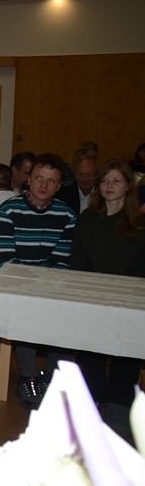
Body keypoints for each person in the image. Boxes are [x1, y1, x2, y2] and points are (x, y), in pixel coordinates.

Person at [0, 153, 78, 408]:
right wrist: (35, 286)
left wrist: (49, 285)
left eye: (51, 181)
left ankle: (52, 375)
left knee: (70, 305)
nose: (43, 185)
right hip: (8, 276)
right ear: (28, 179)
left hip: (47, 277)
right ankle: (28, 376)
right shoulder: (8, 210)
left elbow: (61, 261)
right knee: (24, 304)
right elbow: (5, 261)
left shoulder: (67, 215)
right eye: (38, 178)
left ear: (59, 186)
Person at [71, 160, 145, 440]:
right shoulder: (88, 219)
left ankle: (119, 409)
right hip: (93, 295)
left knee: (128, 349)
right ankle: (92, 403)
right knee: (90, 347)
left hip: (129, 297)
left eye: (116, 181)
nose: (109, 186)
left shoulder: (139, 224)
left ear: (128, 186)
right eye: (104, 181)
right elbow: (78, 261)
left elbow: (141, 268)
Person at [57, 148, 98, 214]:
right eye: (81, 175)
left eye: (89, 175)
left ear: (96, 175)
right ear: (75, 175)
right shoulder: (64, 193)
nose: (85, 179)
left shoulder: (102, 195)